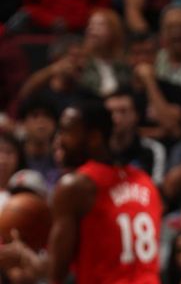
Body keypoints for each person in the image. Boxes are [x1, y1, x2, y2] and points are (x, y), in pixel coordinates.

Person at [47, 99, 162, 283]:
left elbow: (55, 274)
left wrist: (24, 257)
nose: (58, 140)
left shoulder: (76, 186)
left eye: (66, 131)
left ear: (94, 137)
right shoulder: (146, 182)